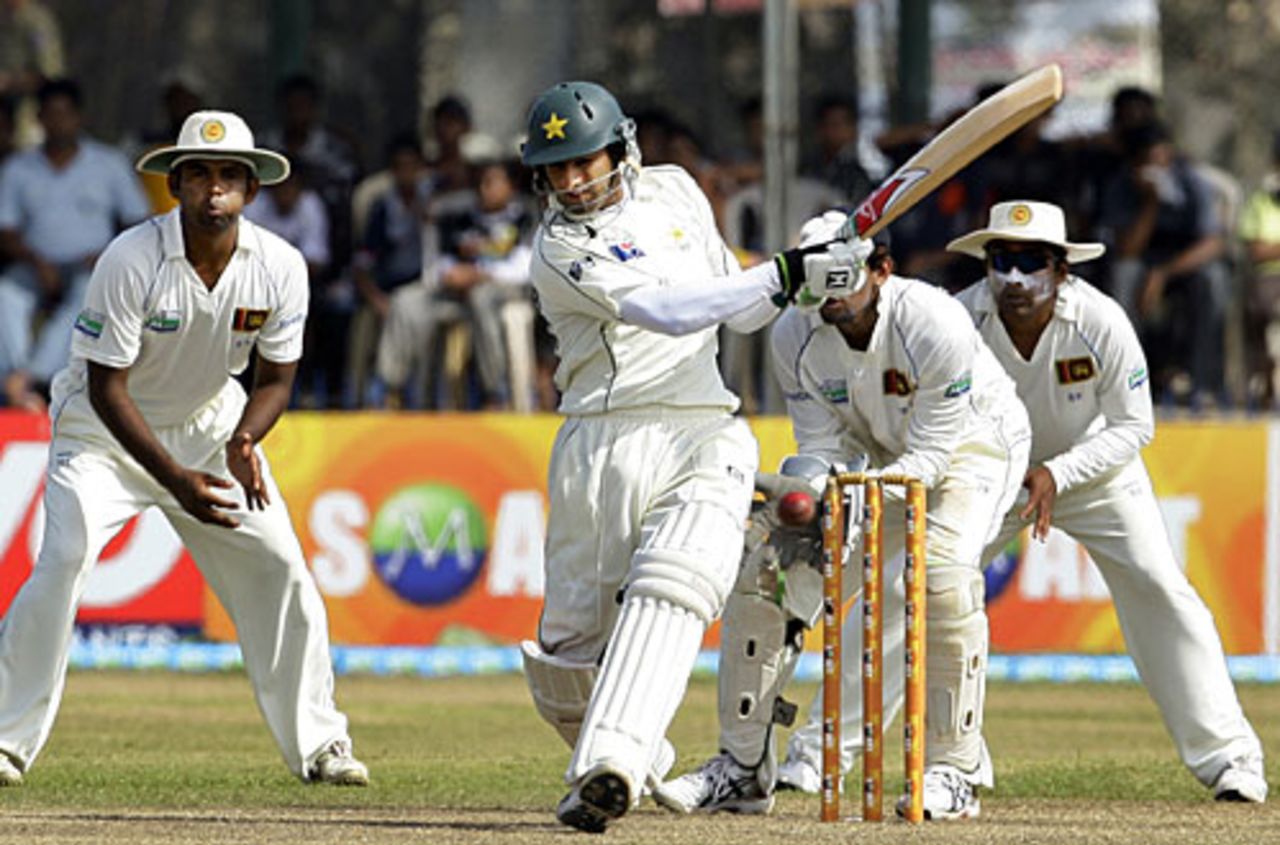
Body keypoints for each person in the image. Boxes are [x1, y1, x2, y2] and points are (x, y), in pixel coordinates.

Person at [516, 80, 848, 833]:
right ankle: (630, 756)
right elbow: (665, 313)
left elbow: (734, 301)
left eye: (584, 161)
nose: (571, 181)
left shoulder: (675, 190)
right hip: (606, 440)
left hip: (704, 424)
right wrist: (785, 272)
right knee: (567, 661)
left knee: (677, 580)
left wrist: (803, 280)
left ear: (622, 150)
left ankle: (612, 762)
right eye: (556, 168)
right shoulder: (559, 248)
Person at [0, 110, 368, 788]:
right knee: (64, 558)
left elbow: (276, 379)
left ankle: (321, 745)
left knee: (282, 567)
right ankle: (4, 740)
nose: (214, 188)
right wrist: (176, 481)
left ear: (252, 189)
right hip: (102, 434)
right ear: (174, 184)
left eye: (229, 175)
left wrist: (244, 438)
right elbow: (108, 388)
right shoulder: (131, 257)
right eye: (198, 173)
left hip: (208, 428)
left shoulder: (281, 265)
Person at [658, 210, 1032, 821]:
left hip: (974, 447)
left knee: (940, 576)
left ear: (881, 270)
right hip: (874, 458)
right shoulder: (794, 333)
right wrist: (810, 495)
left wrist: (858, 492)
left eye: (841, 281)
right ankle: (743, 768)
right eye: (816, 285)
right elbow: (822, 446)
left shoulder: (933, 320)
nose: (827, 300)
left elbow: (933, 456)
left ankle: (954, 772)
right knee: (768, 578)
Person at [948, 200, 1265, 801]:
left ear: (1061, 268)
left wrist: (1058, 473)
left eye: (1030, 262)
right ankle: (939, 758)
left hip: (1095, 473)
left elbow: (1134, 425)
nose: (1013, 277)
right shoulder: (960, 319)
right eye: (1000, 261)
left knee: (1160, 588)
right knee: (928, 586)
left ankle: (1231, 758)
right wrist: (996, 469)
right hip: (994, 474)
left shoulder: (1100, 320)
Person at [0, 77, 149, 411]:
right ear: (39, 118)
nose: (58, 122)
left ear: (79, 117)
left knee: (88, 294)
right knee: (5, 293)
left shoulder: (108, 163)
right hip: (34, 264)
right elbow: (5, 230)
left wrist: (108, 255)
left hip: (94, 264)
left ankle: (35, 379)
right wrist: (37, 262)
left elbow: (139, 221)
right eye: (50, 114)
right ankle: (15, 381)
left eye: (65, 114)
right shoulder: (18, 168)